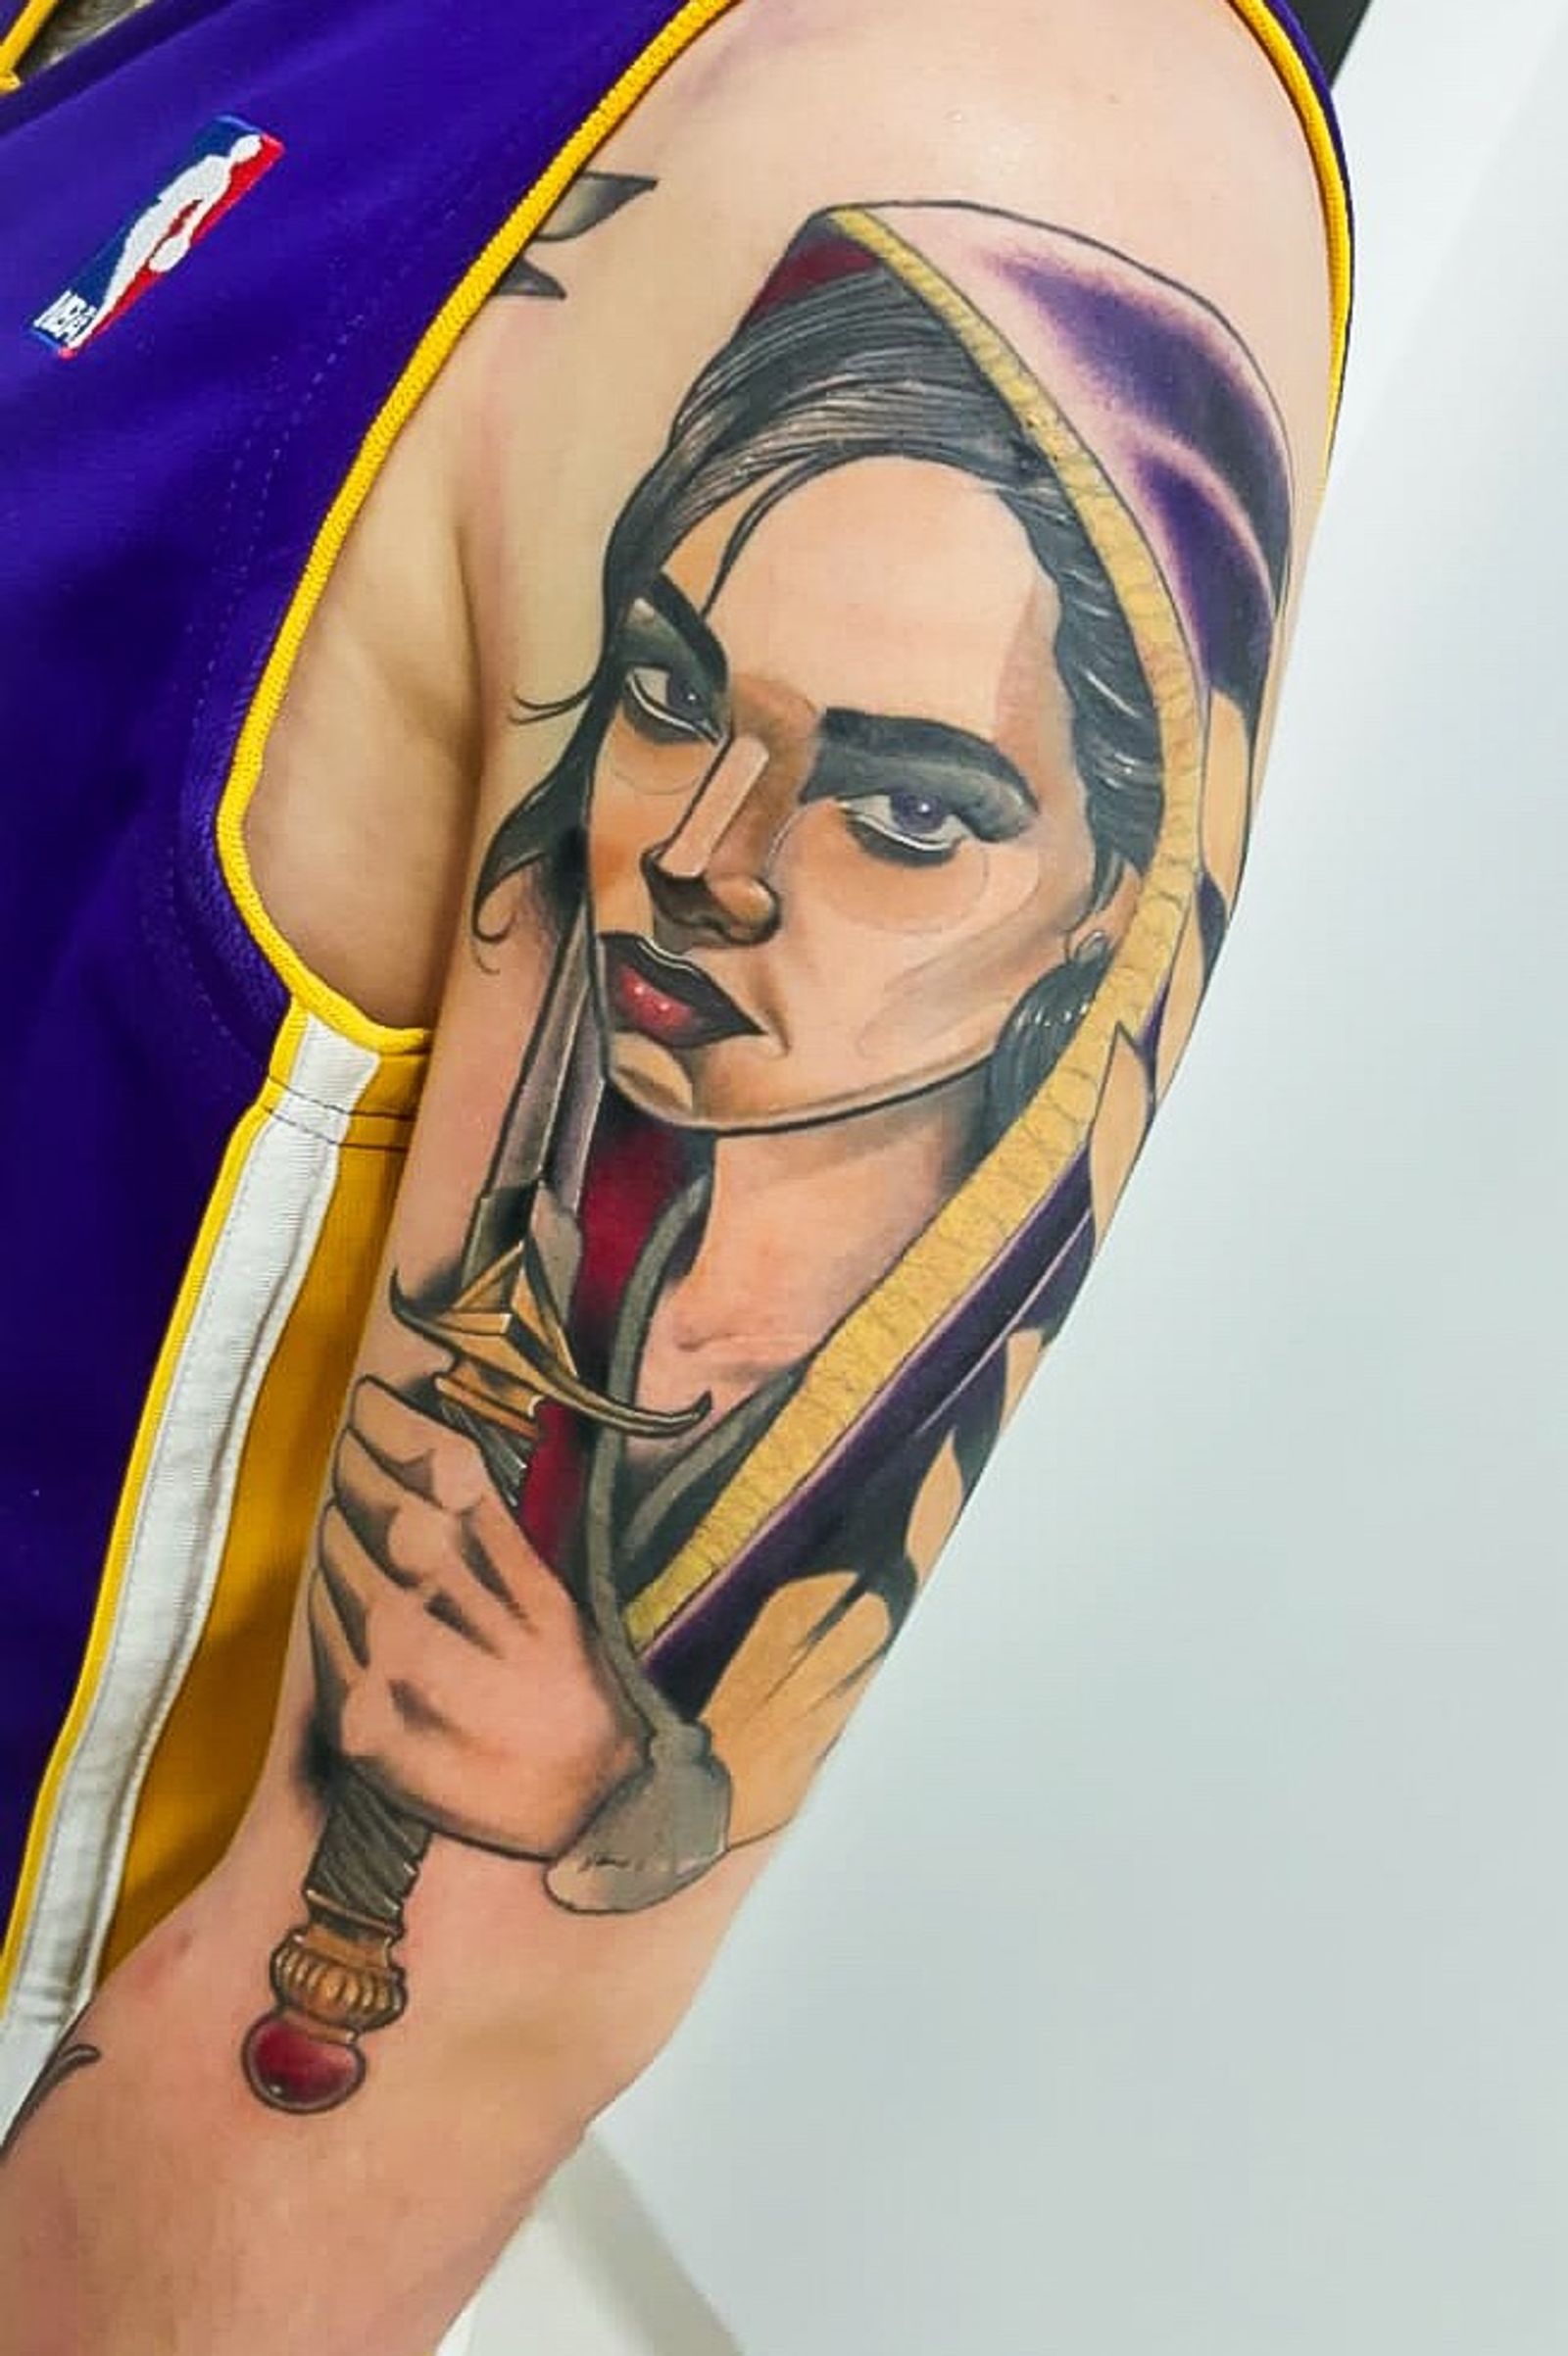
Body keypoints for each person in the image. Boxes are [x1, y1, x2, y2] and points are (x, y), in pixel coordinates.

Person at [0, 0, 1351, 2347]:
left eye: (904, 807)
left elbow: (410, 2061)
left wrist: (601, 1779)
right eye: (664, 694)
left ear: (1080, 934)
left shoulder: (981, 126)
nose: (703, 858)